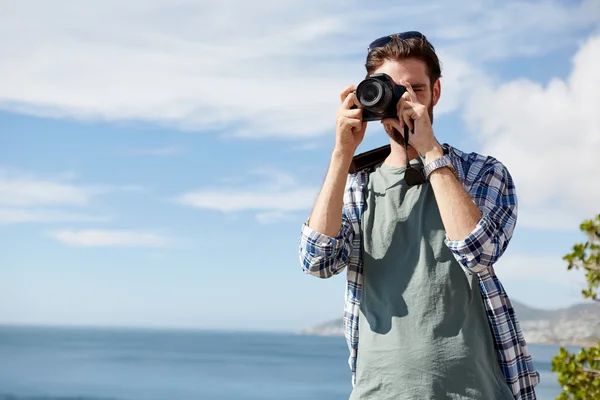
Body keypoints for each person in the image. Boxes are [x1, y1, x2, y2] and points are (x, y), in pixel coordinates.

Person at [298, 31, 540, 400]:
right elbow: (317, 261)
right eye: (392, 90)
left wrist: (429, 150)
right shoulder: (357, 185)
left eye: (416, 90)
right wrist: (341, 155)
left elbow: (479, 253)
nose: (404, 102)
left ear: (436, 93)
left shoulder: (483, 174)